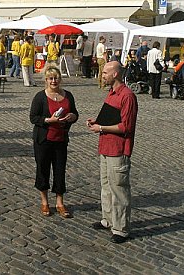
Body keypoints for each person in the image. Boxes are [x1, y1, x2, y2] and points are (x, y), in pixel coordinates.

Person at [87, 61, 138, 244]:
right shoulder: (111, 93)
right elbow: (110, 117)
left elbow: (126, 126)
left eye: (106, 72)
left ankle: (121, 228)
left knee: (119, 190)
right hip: (105, 147)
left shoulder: (127, 96)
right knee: (106, 186)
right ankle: (108, 219)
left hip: (118, 149)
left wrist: (101, 127)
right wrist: (97, 122)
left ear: (116, 74)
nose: (103, 74)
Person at [30, 65, 79, 218]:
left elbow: (75, 113)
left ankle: (60, 202)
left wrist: (73, 117)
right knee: (43, 169)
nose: (54, 81)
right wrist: (47, 120)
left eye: (56, 78)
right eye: (50, 78)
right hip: (44, 139)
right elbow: (33, 118)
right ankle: (44, 201)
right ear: (46, 80)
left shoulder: (68, 95)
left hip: (60, 139)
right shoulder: (40, 97)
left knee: (59, 171)